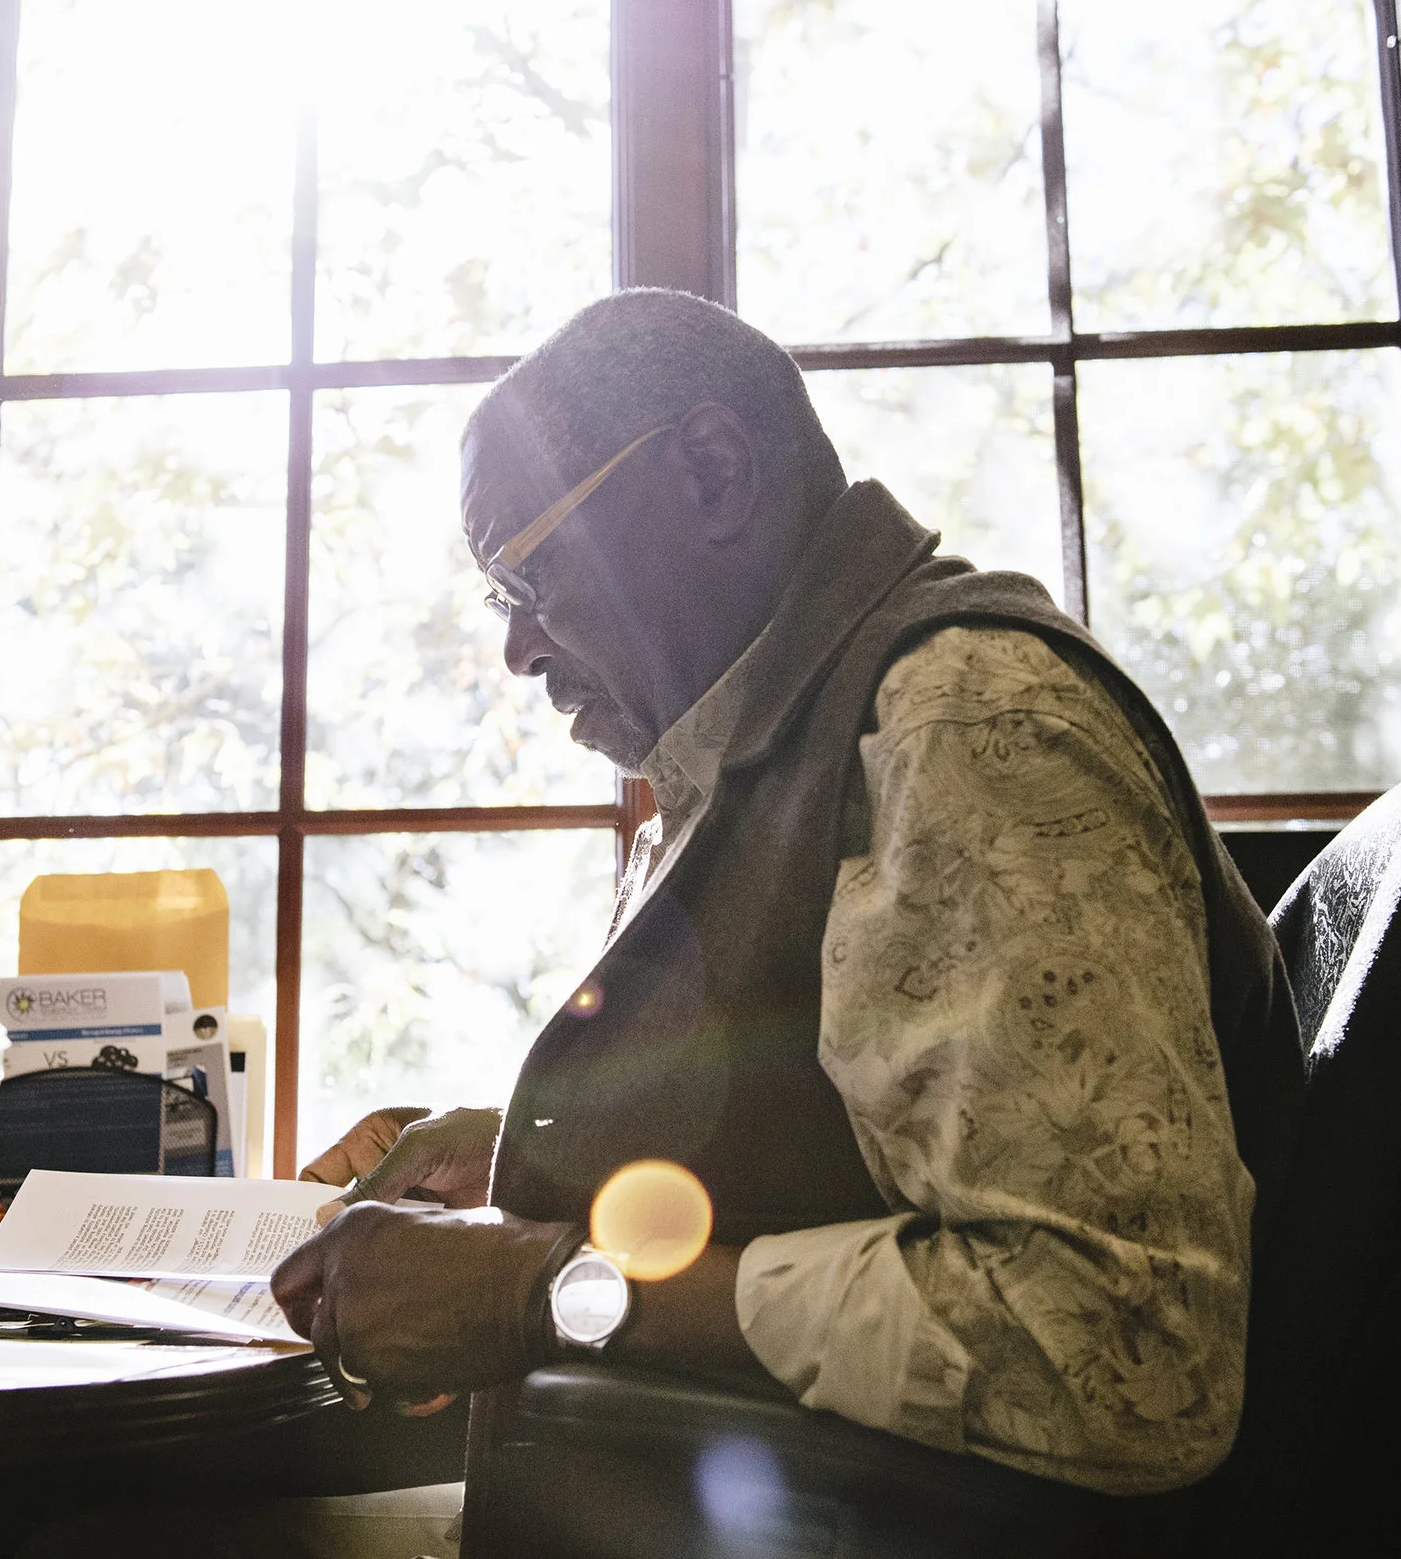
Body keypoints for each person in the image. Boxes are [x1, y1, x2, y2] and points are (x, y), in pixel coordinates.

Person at [270, 290, 1304, 1552]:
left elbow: (1112, 1349)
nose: (519, 654)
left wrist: (540, 1286)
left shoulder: (958, 724)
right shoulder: (783, 738)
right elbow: (850, 1150)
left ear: (712, 471)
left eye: (528, 578)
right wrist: (523, 1156)